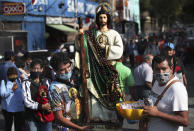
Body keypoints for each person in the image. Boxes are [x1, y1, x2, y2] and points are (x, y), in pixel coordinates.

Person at [75, 3, 127, 129]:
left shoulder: (114, 34)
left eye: (104, 17)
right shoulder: (90, 34)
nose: (102, 20)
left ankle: (111, 118)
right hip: (94, 70)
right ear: (97, 19)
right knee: (94, 94)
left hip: (108, 70)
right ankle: (95, 117)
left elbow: (119, 50)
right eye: (100, 17)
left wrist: (106, 49)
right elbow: (80, 48)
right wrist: (80, 37)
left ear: (108, 18)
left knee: (110, 95)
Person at [143, 55, 189, 131]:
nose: (161, 72)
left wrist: (158, 114)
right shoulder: (156, 83)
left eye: (164, 69)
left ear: (171, 68)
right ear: (153, 69)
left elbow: (184, 121)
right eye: (157, 69)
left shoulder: (177, 88)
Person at [49, 52, 92, 131]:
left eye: (68, 67)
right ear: (55, 70)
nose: (67, 71)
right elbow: (59, 118)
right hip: (68, 128)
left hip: (83, 124)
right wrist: (79, 128)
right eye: (62, 70)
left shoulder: (76, 79)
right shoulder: (54, 88)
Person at [22, 59, 53, 131]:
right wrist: (41, 106)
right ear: (30, 69)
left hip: (46, 115)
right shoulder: (26, 83)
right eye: (34, 68)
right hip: (32, 117)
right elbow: (27, 101)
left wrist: (50, 106)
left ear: (42, 69)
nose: (36, 71)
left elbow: (51, 96)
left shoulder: (46, 81)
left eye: (38, 69)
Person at [0, 67, 25, 131]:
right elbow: (2, 94)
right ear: (8, 75)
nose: (14, 78)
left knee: (19, 126)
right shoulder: (4, 82)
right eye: (12, 76)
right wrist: (11, 90)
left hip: (19, 108)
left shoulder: (19, 81)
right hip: (8, 109)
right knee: (8, 126)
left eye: (15, 76)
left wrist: (23, 79)